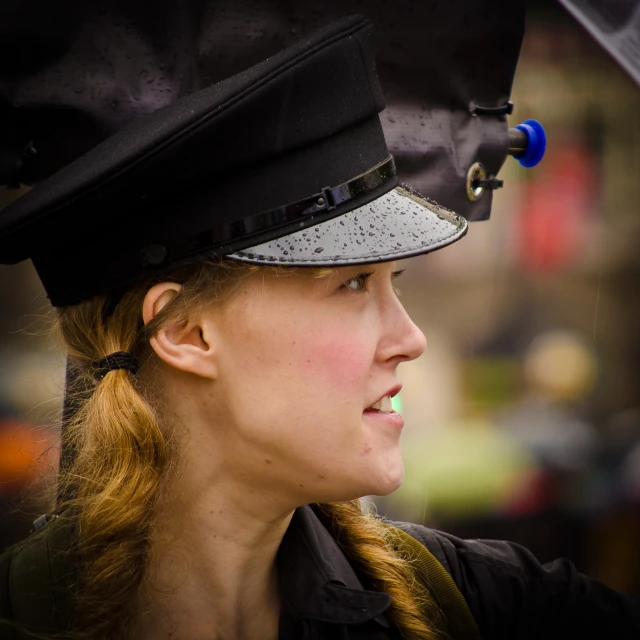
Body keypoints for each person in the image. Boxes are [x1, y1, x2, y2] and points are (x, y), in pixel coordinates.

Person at [0, 15, 638, 640]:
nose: (411, 340)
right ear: (185, 331)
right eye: (354, 282)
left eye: (396, 283)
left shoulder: (480, 605)